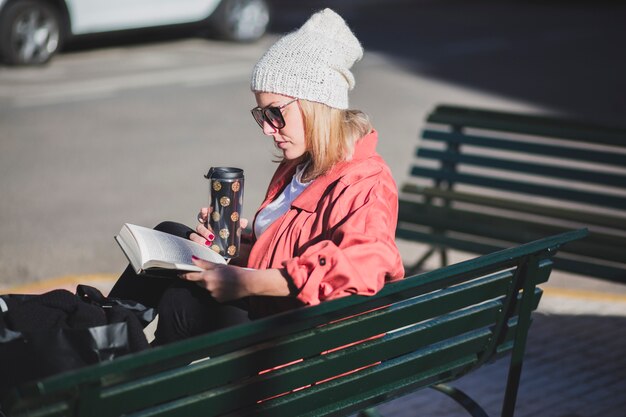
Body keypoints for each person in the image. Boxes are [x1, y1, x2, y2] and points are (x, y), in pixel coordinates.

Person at [109, 8, 404, 345]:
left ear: (316, 104)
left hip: (310, 341)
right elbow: (289, 251)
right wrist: (236, 245)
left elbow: (366, 265)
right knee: (170, 235)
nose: (267, 128)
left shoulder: (366, 181)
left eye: (275, 113)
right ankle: (100, 339)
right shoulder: (299, 164)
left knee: (184, 300)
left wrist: (244, 282)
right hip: (279, 313)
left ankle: (131, 380)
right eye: (261, 114)